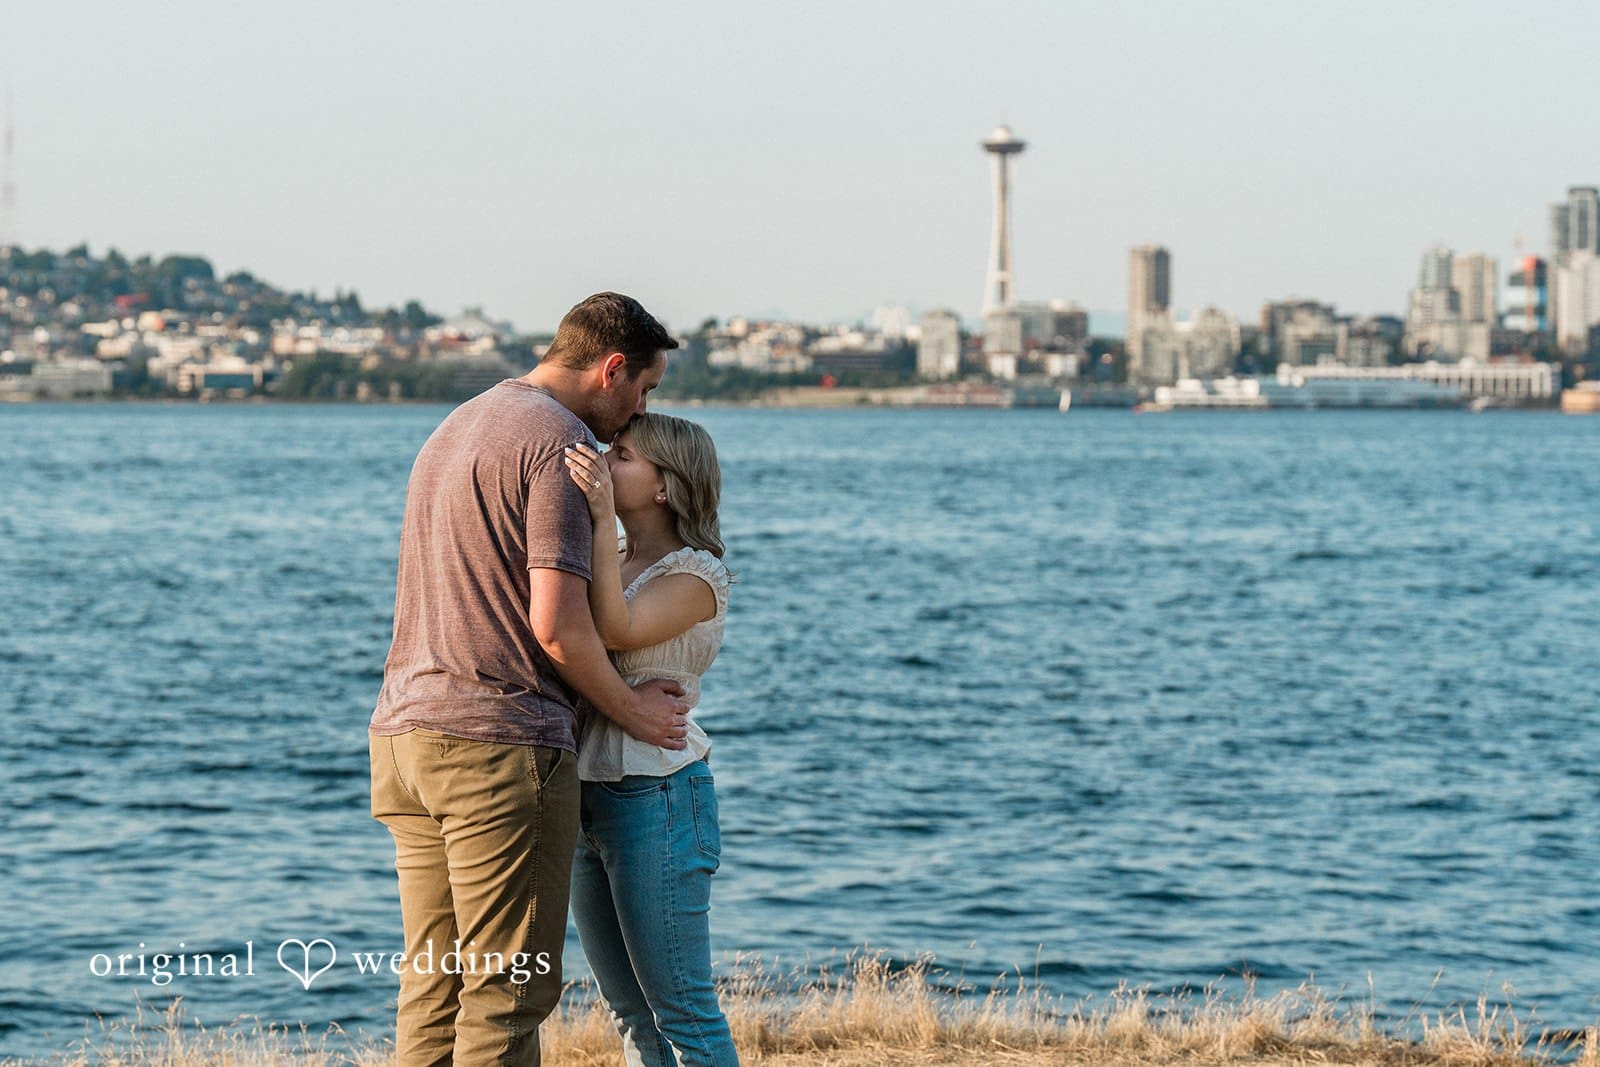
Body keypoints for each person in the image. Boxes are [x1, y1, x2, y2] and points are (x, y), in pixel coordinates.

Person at [368, 292, 695, 1067]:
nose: (637, 414)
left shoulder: (460, 425)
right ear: (611, 369)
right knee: (506, 996)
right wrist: (634, 711)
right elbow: (556, 625)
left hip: (404, 737)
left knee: (434, 989)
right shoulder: (561, 446)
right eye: (643, 391)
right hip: (498, 746)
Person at [561, 413, 740, 1067]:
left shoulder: (697, 575)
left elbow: (612, 626)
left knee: (685, 1014)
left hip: (659, 797)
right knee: (631, 1017)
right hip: (586, 798)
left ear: (666, 485)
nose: (605, 459)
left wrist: (598, 510)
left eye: (625, 456)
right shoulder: (612, 554)